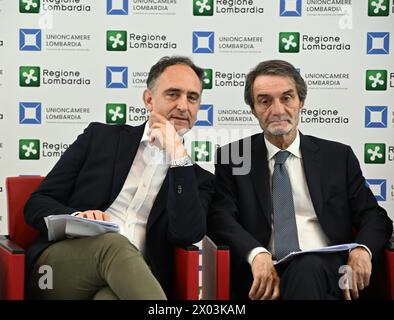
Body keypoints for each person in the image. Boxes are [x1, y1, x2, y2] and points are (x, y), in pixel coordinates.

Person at [24, 56, 214, 300]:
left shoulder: (197, 178)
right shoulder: (100, 138)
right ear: (148, 99)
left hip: (131, 279)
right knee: (114, 244)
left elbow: (187, 234)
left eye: (192, 98)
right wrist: (77, 218)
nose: (183, 106)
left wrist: (177, 156)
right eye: (172, 94)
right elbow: (37, 203)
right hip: (57, 271)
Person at [207, 59, 393, 300]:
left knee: (307, 266)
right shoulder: (234, 157)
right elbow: (220, 218)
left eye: (286, 98)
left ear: (301, 102)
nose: (277, 110)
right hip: (265, 274)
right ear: (253, 109)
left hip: (333, 272)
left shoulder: (337, 156)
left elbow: (373, 215)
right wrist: (257, 254)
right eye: (265, 101)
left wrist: (362, 250)